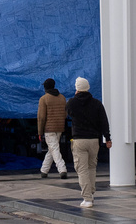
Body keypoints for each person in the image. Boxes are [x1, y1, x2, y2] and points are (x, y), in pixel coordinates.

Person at [65, 77, 110, 209]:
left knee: (82, 169)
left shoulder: (72, 103)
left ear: (77, 88)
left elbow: (68, 113)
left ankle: (87, 198)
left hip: (79, 140)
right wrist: (107, 138)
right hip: (94, 140)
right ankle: (91, 193)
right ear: (88, 87)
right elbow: (104, 122)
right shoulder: (96, 103)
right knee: (91, 168)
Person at [37, 78, 68, 179]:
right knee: (52, 149)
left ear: (45, 87)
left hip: (49, 128)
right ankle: (44, 170)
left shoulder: (43, 99)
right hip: (59, 127)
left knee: (54, 149)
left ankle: (62, 169)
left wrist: (40, 132)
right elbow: (65, 114)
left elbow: (41, 117)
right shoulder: (62, 98)